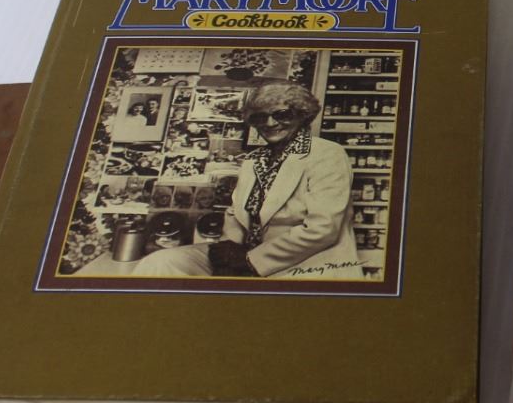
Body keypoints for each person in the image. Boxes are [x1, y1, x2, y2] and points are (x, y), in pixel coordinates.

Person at [133, 83, 358, 278]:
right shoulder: (253, 160)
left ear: (302, 115)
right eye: (260, 117)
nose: (270, 123)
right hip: (243, 254)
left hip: (304, 261)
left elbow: (323, 228)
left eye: (281, 114)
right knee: (159, 263)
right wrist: (228, 252)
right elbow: (235, 214)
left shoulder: (326, 153)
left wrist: (250, 260)